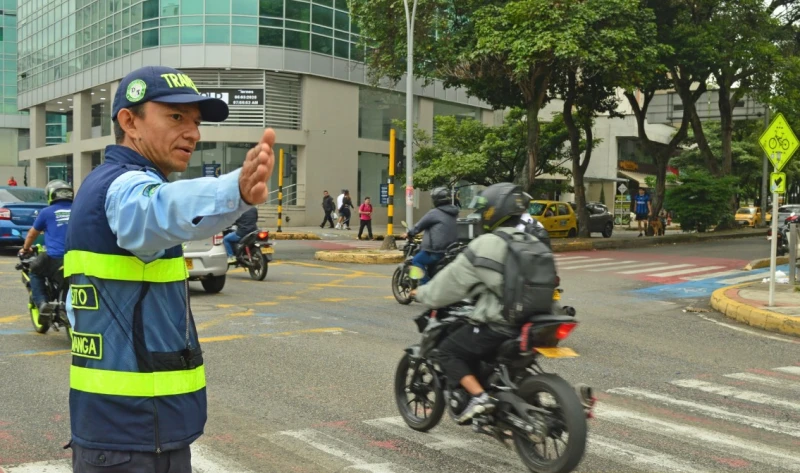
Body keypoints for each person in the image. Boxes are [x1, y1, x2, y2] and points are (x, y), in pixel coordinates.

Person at [63, 66, 275, 473]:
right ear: (130, 122)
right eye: (176, 117)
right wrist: (235, 190)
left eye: (195, 122)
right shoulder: (122, 187)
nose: (193, 133)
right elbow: (157, 209)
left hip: (132, 433)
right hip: (133, 440)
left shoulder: (107, 182)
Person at [410, 182, 536, 425]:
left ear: (492, 212)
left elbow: (449, 284)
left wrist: (422, 293)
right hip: (535, 319)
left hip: (503, 322)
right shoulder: (531, 239)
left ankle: (479, 397)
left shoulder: (487, 243)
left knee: (446, 350)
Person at [18, 180, 73, 316]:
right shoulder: (79, 210)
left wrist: (25, 249)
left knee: (35, 271)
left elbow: (32, 234)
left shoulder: (47, 212)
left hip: (56, 258)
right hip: (79, 258)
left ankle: (42, 303)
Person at [400, 187, 459, 284]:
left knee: (416, 261)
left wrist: (409, 233)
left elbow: (419, 226)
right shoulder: (454, 213)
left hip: (436, 251)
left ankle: (425, 287)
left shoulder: (434, 213)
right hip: (450, 251)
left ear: (436, 200)